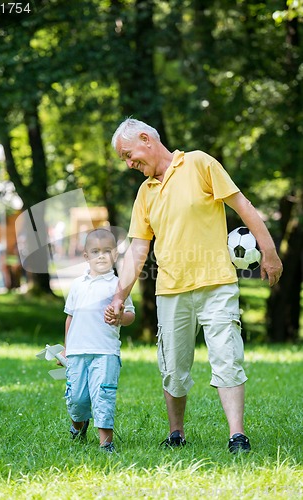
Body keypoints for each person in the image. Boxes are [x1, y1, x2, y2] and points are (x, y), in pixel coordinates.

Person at [106, 118, 283, 453]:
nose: (129, 164)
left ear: (146, 139)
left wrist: (269, 252)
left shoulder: (199, 162)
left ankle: (237, 435)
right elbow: (138, 249)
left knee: (227, 357)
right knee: (173, 368)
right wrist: (119, 297)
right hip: (171, 292)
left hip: (216, 284)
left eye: (129, 155)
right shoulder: (145, 193)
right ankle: (176, 433)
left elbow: (242, 205)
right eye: (125, 160)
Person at [62, 228, 135, 453]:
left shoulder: (119, 287)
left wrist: (120, 317)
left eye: (106, 251)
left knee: (103, 395)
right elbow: (70, 317)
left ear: (115, 255)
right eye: (95, 251)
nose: (101, 256)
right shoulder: (77, 285)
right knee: (76, 397)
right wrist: (66, 348)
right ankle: (78, 425)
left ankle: (106, 443)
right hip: (77, 352)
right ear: (86, 256)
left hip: (105, 351)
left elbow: (131, 315)